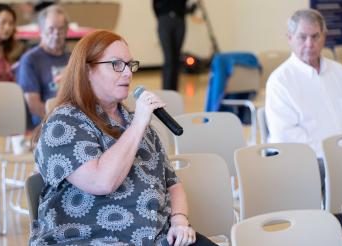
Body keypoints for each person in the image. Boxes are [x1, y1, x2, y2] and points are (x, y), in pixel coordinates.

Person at [30, 30, 217, 246]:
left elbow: (172, 184)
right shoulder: (64, 122)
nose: (128, 73)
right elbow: (102, 182)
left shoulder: (132, 119)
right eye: (117, 64)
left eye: (130, 65)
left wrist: (179, 221)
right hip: (91, 239)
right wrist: (138, 124)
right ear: (87, 70)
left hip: (157, 238)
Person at [265, 9, 342, 189]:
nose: (309, 44)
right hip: (308, 162)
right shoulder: (280, 81)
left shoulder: (340, 72)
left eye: (315, 37)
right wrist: (333, 156)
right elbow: (286, 137)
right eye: (302, 37)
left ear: (324, 37)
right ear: (290, 38)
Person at [17, 4, 70, 129]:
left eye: (61, 29)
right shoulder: (30, 59)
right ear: (41, 30)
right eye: (51, 29)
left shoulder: (72, 58)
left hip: (72, 121)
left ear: (67, 30)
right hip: (45, 126)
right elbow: (34, 105)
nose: (56, 34)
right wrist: (59, 123)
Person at [153, 0, 196, 91]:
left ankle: (174, 91)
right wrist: (162, 17)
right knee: (169, 58)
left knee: (176, 59)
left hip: (179, 20)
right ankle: (166, 90)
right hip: (164, 20)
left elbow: (187, 5)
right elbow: (154, 5)